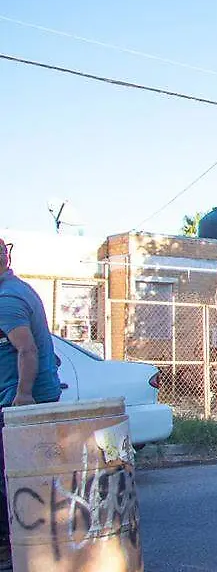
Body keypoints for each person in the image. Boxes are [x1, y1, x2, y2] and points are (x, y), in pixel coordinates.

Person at [0, 238, 63, 571]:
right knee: (23, 476)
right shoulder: (17, 289)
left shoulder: (7, 298)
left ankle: (12, 550)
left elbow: (27, 350)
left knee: (9, 477)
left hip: (16, 402)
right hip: (19, 399)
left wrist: (24, 396)